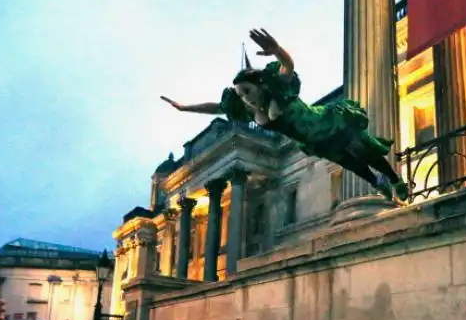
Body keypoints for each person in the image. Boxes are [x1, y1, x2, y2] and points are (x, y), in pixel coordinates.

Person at [161, 28, 410, 203]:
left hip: (324, 121)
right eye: (241, 95)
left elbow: (288, 66)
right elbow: (216, 107)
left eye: (247, 91)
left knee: (363, 148)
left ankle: (393, 178)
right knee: (349, 162)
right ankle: (378, 183)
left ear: (260, 85)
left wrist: (277, 49)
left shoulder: (277, 86)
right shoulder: (251, 109)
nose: (246, 98)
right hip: (313, 139)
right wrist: (184, 108)